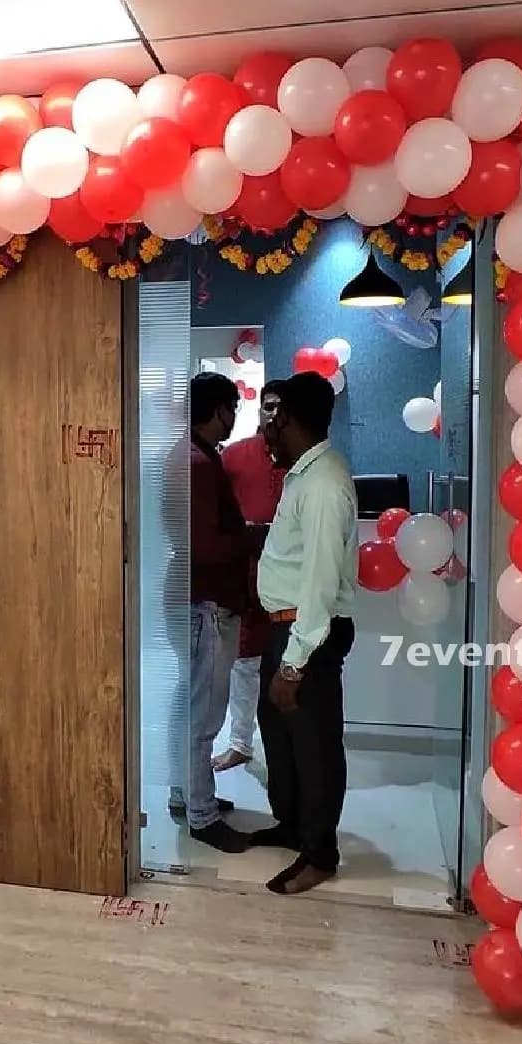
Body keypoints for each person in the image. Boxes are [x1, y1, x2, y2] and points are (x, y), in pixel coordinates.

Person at [253, 372, 359, 895]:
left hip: (307, 633)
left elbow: (318, 580)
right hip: (289, 629)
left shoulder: (323, 482)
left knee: (314, 745)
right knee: (279, 732)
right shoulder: (303, 475)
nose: (264, 429)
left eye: (271, 417)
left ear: (287, 417)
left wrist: (294, 662)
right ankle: (293, 824)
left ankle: (319, 852)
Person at [166, 373, 259, 853]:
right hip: (203, 600)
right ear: (218, 409)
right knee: (203, 715)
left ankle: (188, 796)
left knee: (189, 704)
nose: (237, 415)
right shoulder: (197, 463)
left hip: (192, 596)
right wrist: (254, 537)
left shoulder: (192, 456)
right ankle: (201, 815)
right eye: (233, 407)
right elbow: (204, 546)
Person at [212, 381, 286, 772]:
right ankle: (239, 740)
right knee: (243, 662)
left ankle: (285, 748)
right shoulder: (235, 456)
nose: (274, 415)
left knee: (288, 662)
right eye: (268, 406)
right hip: (244, 577)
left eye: (281, 408)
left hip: (292, 584)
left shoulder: (302, 462)